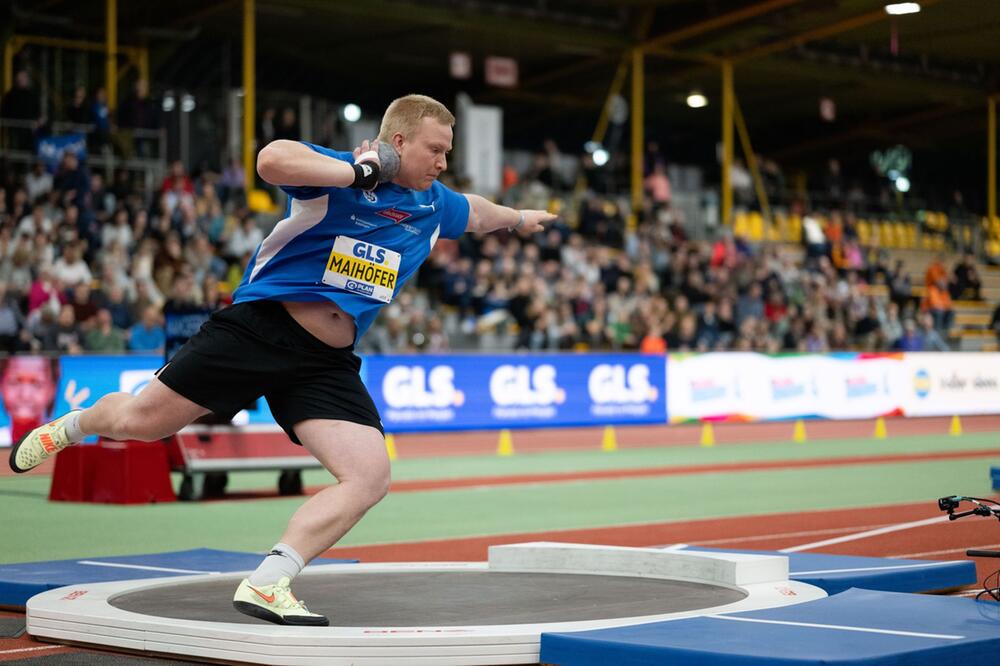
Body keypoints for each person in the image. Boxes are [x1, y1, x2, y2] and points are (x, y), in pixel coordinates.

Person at [9, 94, 554, 625]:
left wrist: (519, 216)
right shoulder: (342, 172)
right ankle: (74, 425)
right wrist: (359, 172)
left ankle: (271, 580)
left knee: (369, 476)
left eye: (448, 153)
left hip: (325, 362)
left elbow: (478, 212)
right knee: (139, 425)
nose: (442, 162)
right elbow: (270, 159)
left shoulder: (434, 203)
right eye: (434, 149)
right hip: (259, 329)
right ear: (398, 141)